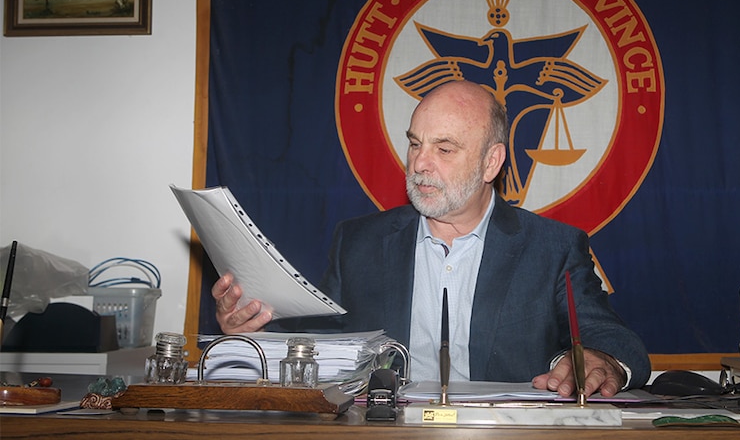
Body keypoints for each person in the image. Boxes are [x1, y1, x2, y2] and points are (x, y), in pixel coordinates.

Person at [212, 80, 650, 396]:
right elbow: (317, 345)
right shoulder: (357, 242)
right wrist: (251, 330)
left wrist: (599, 360)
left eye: (444, 149)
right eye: (415, 144)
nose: (420, 164)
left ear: (490, 162)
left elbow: (613, 339)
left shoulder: (552, 249)